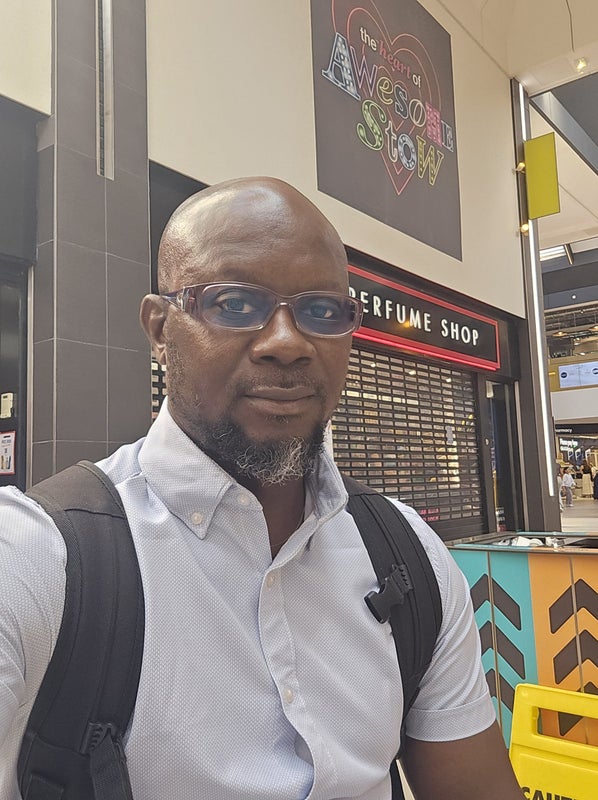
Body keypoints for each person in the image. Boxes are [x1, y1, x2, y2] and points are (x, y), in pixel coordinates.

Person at [0, 177, 524, 799]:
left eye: (322, 311)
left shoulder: (411, 557)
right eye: (234, 304)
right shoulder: (41, 561)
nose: (287, 343)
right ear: (160, 329)